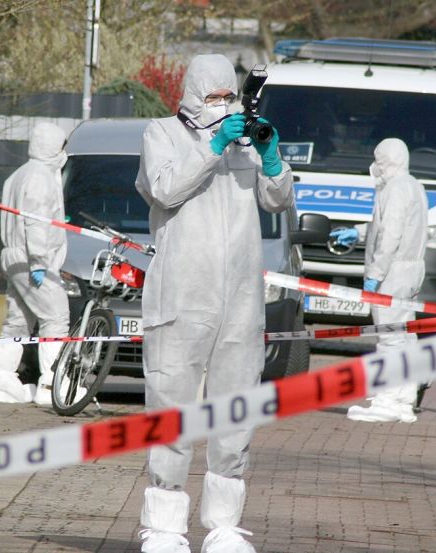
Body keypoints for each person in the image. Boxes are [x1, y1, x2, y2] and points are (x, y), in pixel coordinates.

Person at [134, 54, 294, 553]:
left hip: (240, 300)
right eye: (213, 96)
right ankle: (163, 527)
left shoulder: (244, 142)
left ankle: (224, 525)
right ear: (191, 94)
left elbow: (278, 200)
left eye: (229, 96)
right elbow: (164, 190)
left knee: (234, 412)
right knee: (171, 407)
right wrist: (212, 146)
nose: (222, 105)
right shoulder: (162, 134)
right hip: (182, 295)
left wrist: (269, 156)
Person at [330, 138, 428, 423]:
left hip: (393, 273)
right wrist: (358, 233)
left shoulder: (395, 189)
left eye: (378, 160)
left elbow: (390, 236)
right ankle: (404, 399)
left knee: (389, 338)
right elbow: (384, 227)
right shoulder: (413, 185)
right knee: (405, 336)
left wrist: (374, 275)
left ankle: (385, 400)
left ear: (385, 161)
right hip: (411, 270)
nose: (375, 166)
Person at [0, 122, 71, 406]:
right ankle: (52, 384)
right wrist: (39, 261)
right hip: (33, 258)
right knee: (56, 316)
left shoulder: (17, 175)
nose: (64, 153)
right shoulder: (41, 178)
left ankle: (2, 381)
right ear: (52, 148)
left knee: (19, 320)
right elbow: (35, 223)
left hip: (13, 256)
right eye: (61, 147)